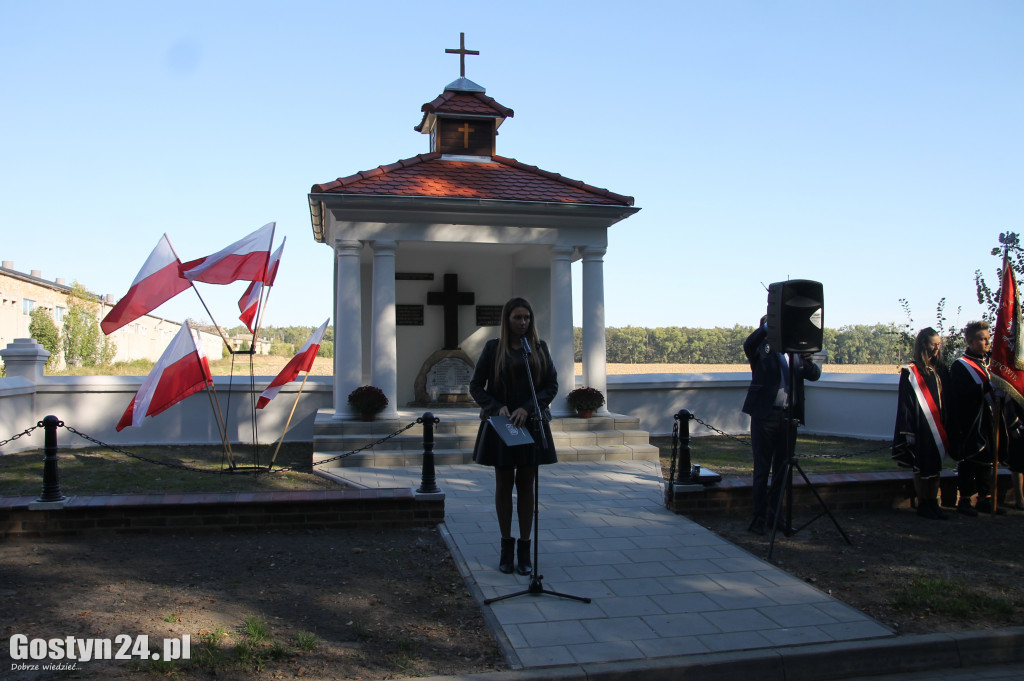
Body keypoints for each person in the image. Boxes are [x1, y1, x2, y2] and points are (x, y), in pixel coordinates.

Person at [469, 297, 558, 574]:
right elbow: (476, 387)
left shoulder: (539, 349)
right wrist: (497, 407)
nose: (523, 323)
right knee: (504, 485)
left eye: (527, 318)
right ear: (507, 320)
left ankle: (525, 548)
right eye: (517, 317)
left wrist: (528, 408)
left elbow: (551, 386)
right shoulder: (494, 348)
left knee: (527, 486)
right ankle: (506, 548)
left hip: (531, 425)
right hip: (503, 427)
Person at [741, 316, 821, 535]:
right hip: (765, 416)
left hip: (788, 417)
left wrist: (808, 361)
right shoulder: (760, 348)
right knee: (762, 469)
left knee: (782, 471)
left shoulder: (795, 351)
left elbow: (814, 375)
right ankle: (759, 518)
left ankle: (776, 518)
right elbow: (748, 344)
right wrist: (770, 324)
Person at [892, 328, 950, 519]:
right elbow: (906, 403)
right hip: (920, 426)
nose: (937, 348)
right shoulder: (911, 371)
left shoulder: (941, 370)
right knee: (920, 466)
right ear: (924, 344)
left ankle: (933, 502)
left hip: (938, 426)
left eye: (939, 344)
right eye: (934, 344)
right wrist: (908, 431)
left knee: (936, 468)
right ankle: (923, 503)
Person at [949, 320, 1004, 515]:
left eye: (988, 339)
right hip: (970, 422)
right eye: (982, 339)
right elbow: (962, 393)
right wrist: (987, 388)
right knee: (970, 460)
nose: (987, 343)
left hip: (988, 419)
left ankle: (985, 498)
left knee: (988, 460)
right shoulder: (960, 366)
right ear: (971, 342)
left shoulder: (990, 363)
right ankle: (964, 500)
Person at [1001, 398, 1024, 511]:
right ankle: (1020, 500)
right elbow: (1009, 403)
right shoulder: (1015, 381)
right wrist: (1013, 423)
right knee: (1018, 465)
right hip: (1019, 425)